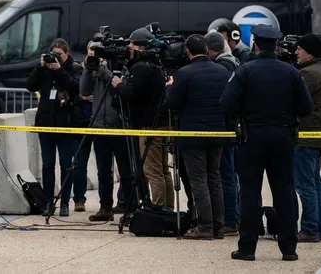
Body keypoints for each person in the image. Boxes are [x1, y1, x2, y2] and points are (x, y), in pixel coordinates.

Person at [220, 24, 312, 262]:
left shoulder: (245, 71)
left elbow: (227, 103)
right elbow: (306, 106)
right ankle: (289, 248)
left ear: (256, 45)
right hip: (282, 136)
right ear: (276, 45)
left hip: (252, 137)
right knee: (284, 191)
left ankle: (248, 247)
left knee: (250, 191)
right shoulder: (291, 72)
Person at [163, 35, 231, 240]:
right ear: (207, 48)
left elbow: (173, 103)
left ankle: (205, 226)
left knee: (198, 180)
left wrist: (169, 87)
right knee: (214, 178)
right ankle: (219, 226)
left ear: (188, 52)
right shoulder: (223, 71)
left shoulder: (184, 73)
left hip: (192, 135)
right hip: (217, 133)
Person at [111, 28, 172, 210]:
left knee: (152, 170)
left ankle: (158, 209)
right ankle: (167, 208)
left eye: (131, 44)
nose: (128, 48)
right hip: (161, 123)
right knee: (163, 170)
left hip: (148, 125)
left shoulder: (141, 68)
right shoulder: (156, 66)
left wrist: (119, 84)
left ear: (140, 46)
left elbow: (131, 94)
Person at [26, 38, 83, 216]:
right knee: (47, 165)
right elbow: (30, 86)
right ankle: (48, 202)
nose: (55, 58)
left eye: (59, 55)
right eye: (53, 54)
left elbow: (75, 88)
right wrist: (40, 66)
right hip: (45, 123)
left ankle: (64, 201)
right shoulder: (44, 69)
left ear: (67, 54)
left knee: (66, 165)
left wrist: (59, 70)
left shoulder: (74, 68)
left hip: (66, 125)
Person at [80, 40, 133, 221]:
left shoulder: (120, 66)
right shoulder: (93, 68)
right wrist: (88, 68)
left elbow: (119, 89)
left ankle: (128, 206)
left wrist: (104, 70)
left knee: (125, 170)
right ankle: (105, 207)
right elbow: (84, 90)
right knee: (103, 171)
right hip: (99, 126)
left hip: (118, 125)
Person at [292, 34, 321, 243]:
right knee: (314, 183)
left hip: (306, 135)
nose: (296, 52)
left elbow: (295, 99)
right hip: (317, 134)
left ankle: (310, 228)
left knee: (305, 185)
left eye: (300, 49)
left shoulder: (308, 73)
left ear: (310, 52)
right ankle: (316, 227)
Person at [205, 31, 241, 236]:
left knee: (226, 174)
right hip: (231, 127)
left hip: (225, 128)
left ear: (209, 49)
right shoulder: (232, 62)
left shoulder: (223, 66)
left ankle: (230, 219)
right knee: (230, 174)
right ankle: (233, 216)